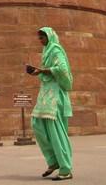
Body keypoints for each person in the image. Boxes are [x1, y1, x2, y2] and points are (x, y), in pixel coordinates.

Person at [28, 27, 73, 181]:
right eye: (39, 38)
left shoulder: (56, 50)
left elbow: (62, 69)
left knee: (55, 130)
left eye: (42, 38)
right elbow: (47, 71)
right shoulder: (47, 51)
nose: (40, 41)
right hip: (46, 92)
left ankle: (65, 168)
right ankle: (53, 161)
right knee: (37, 124)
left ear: (49, 36)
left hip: (55, 95)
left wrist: (44, 70)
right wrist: (39, 72)